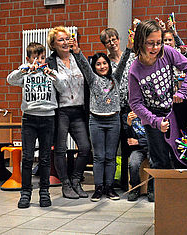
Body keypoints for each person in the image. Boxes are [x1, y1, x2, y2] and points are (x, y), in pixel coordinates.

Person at [128, 20, 187, 202]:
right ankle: (163, 202)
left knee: (180, 157)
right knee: (159, 162)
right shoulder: (135, 70)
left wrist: (183, 91)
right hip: (152, 118)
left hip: (173, 112)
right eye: (151, 43)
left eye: (159, 42)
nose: (156, 47)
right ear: (141, 42)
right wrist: (155, 122)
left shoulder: (168, 52)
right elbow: (135, 103)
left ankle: (184, 200)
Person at [72, 32, 133, 201]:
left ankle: (109, 187)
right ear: (95, 67)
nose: (102, 66)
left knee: (110, 156)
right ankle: (98, 188)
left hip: (113, 120)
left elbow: (124, 61)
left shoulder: (116, 77)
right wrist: (77, 51)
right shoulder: (92, 79)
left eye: (104, 63)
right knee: (99, 156)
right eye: (98, 64)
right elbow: (84, 65)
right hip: (96, 121)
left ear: (109, 65)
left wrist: (128, 47)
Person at [7, 43, 65, 208]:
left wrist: (53, 75)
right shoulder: (25, 73)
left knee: (45, 158)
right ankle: (25, 193)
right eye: (35, 58)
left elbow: (63, 87)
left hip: (48, 118)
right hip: (29, 119)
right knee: (27, 158)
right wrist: (24, 69)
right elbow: (10, 79)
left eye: (41, 58)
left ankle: (44, 192)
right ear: (28, 59)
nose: (39, 61)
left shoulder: (50, 73)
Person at [46, 26, 91, 199]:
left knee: (85, 147)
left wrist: (78, 52)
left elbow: (89, 75)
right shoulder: (51, 62)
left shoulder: (78, 58)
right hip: (61, 111)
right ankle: (65, 184)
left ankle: (76, 180)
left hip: (79, 109)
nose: (65, 42)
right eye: (61, 40)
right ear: (53, 44)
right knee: (60, 148)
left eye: (67, 39)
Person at [100, 28, 137, 191]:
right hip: (114, 108)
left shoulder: (131, 57)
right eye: (108, 41)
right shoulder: (104, 63)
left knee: (129, 144)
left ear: (119, 39)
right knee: (113, 145)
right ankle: (112, 181)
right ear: (104, 44)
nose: (112, 43)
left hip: (131, 106)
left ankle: (127, 181)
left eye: (114, 39)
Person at [125, 110, 149, 201]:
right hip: (137, 149)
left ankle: (152, 189)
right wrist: (129, 124)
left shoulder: (150, 114)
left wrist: (139, 141)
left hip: (151, 147)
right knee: (133, 163)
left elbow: (155, 138)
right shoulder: (127, 116)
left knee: (155, 162)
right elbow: (128, 139)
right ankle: (135, 188)